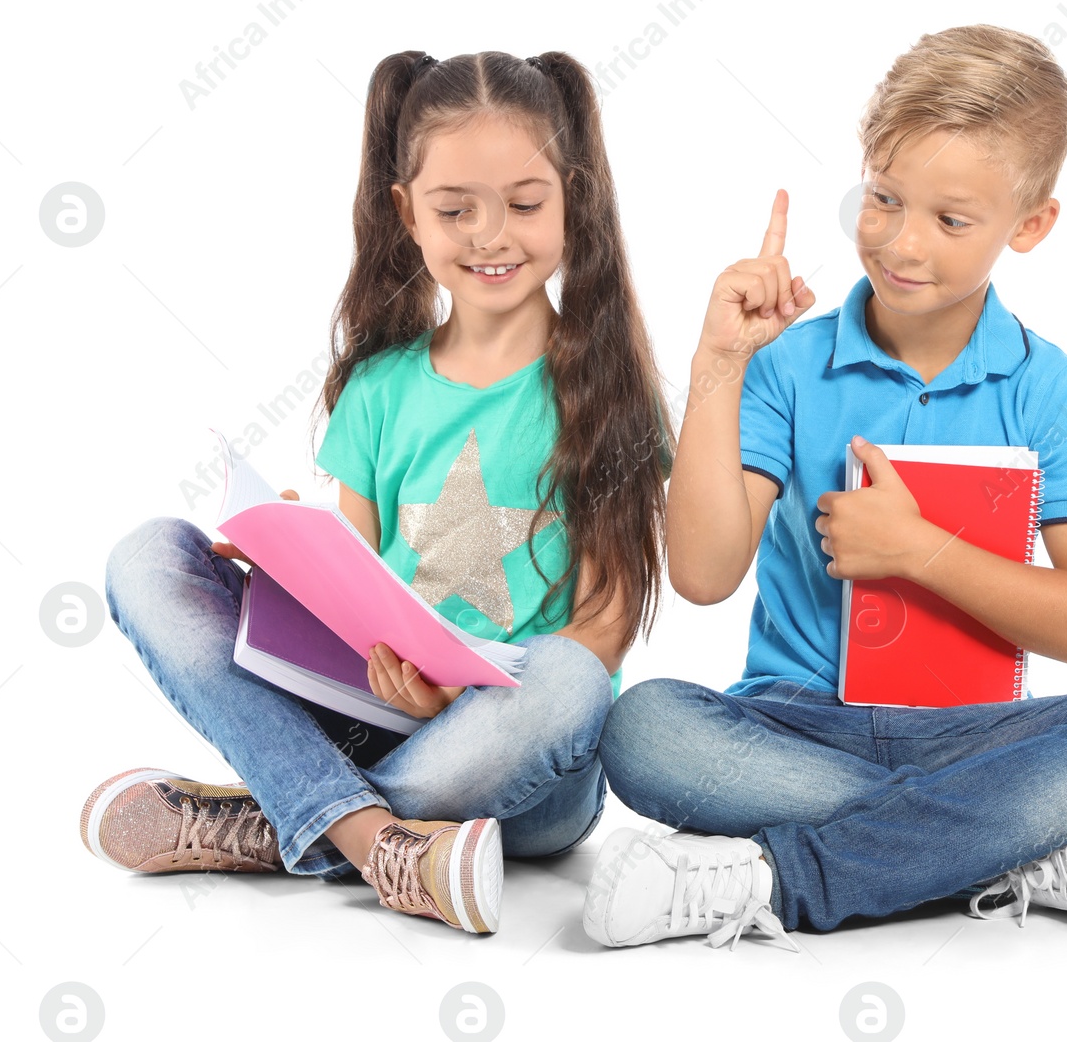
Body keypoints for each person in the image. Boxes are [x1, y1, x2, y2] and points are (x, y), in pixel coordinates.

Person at [582, 25, 1067, 951]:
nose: (903, 243)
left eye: (951, 221)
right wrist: (718, 366)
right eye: (882, 199)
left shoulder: (1049, 392)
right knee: (643, 729)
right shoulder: (789, 365)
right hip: (795, 726)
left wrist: (918, 550)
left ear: (1029, 226)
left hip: (977, 737)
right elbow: (704, 575)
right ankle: (1016, 850)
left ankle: (774, 877)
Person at [85, 49, 672, 935]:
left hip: (518, 763)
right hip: (373, 716)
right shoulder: (380, 386)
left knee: (567, 678)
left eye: (523, 203)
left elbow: (607, 625)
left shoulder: (608, 389)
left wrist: (457, 699)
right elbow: (349, 602)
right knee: (147, 556)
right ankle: (378, 842)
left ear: (571, 200)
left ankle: (284, 817)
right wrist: (286, 561)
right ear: (407, 214)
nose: (491, 234)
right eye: (454, 209)